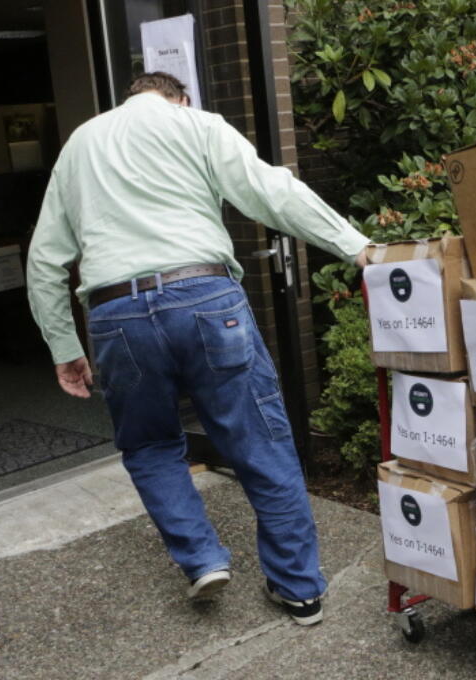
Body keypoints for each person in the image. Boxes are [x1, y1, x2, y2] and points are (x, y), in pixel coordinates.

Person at [27, 71, 370, 625]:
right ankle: (299, 590)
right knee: (261, 441)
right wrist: (357, 248)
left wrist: (63, 345)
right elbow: (272, 191)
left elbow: (45, 259)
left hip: (117, 313)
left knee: (150, 444)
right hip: (206, 296)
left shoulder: (81, 144)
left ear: (131, 97)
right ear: (180, 98)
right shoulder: (198, 125)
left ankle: (203, 559)